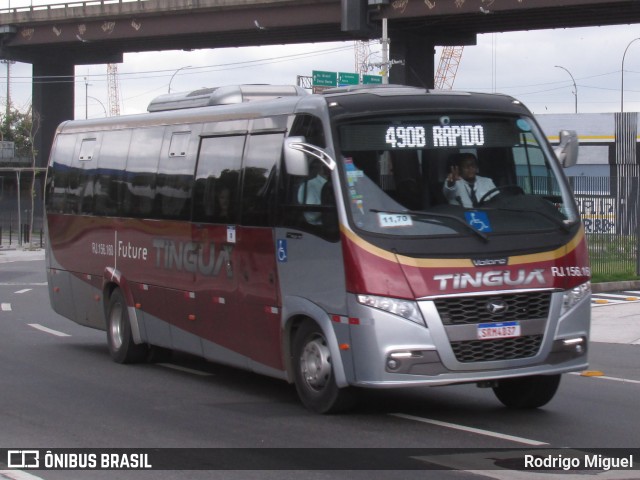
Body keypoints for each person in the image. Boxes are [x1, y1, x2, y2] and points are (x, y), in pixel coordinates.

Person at [298, 159, 329, 224]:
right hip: (318, 228)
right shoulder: (309, 185)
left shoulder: (340, 185)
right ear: (322, 167)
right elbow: (312, 215)